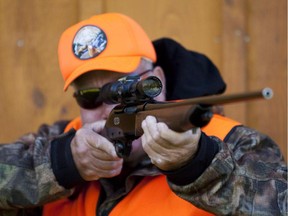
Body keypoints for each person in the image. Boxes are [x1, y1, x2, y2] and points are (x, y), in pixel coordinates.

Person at [0, 13, 286, 216]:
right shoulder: (60, 141)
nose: (111, 106)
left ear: (157, 77)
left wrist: (198, 167)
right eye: (89, 97)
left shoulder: (231, 141)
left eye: (127, 87)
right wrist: (63, 164)